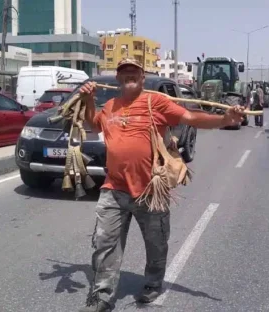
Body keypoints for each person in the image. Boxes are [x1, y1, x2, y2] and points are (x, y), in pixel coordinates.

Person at [78, 58, 245, 312]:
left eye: (134, 72)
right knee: (105, 243)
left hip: (150, 190)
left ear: (142, 77)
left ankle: (154, 282)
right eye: (124, 72)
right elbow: (93, 124)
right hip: (114, 189)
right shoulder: (111, 106)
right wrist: (89, 99)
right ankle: (102, 295)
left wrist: (223, 119)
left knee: (156, 242)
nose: (129, 76)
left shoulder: (155, 102)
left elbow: (191, 117)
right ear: (118, 79)